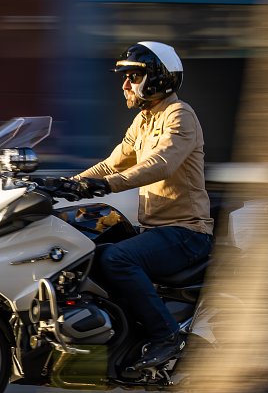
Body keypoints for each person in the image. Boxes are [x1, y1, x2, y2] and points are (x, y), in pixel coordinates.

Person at [66, 41, 214, 375]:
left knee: (116, 258)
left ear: (157, 77)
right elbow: (110, 165)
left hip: (187, 232)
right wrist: (65, 184)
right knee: (88, 248)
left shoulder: (179, 115)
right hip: (157, 230)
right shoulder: (145, 120)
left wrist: (107, 185)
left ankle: (167, 337)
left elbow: (161, 164)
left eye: (132, 76)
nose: (125, 85)